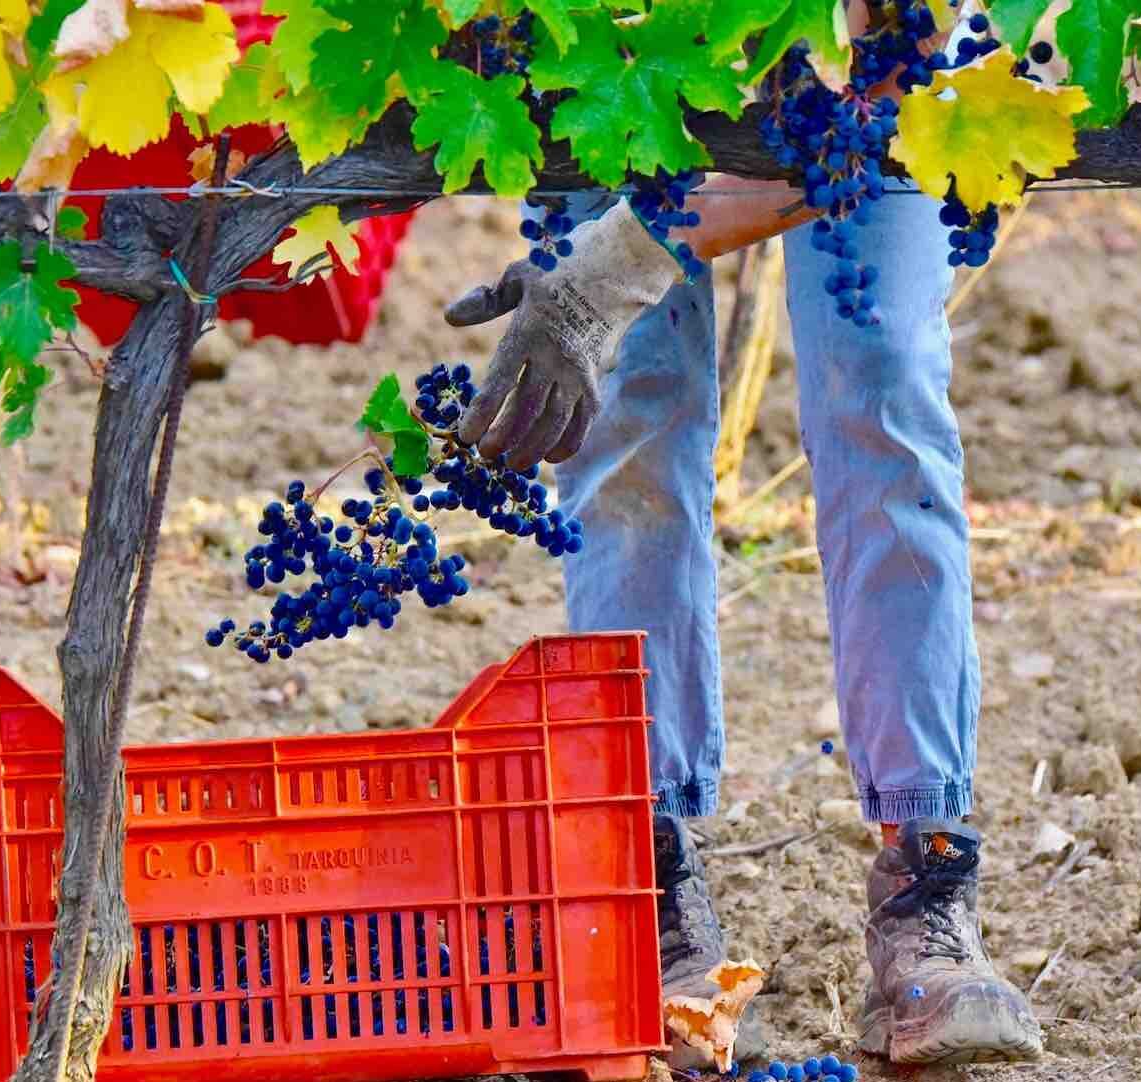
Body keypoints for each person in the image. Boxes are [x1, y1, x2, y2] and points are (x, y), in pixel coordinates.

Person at [439, 6, 1043, 1068]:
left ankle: (927, 879)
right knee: (627, 417)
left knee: (887, 385)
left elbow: (864, 107)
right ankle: (651, 881)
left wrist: (610, 271)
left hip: (871, 64)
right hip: (605, 38)